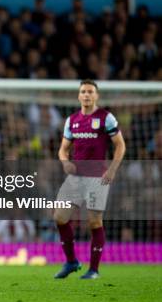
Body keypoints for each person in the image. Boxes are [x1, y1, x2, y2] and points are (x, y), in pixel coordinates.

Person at [53, 79, 125, 279]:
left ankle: (93, 270)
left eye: (90, 91)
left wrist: (111, 170)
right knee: (59, 217)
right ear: (78, 95)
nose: (86, 95)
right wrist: (64, 161)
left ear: (96, 96)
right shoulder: (72, 120)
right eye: (83, 91)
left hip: (96, 178)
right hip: (75, 177)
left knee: (94, 222)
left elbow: (120, 145)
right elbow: (63, 149)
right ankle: (71, 261)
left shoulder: (105, 118)